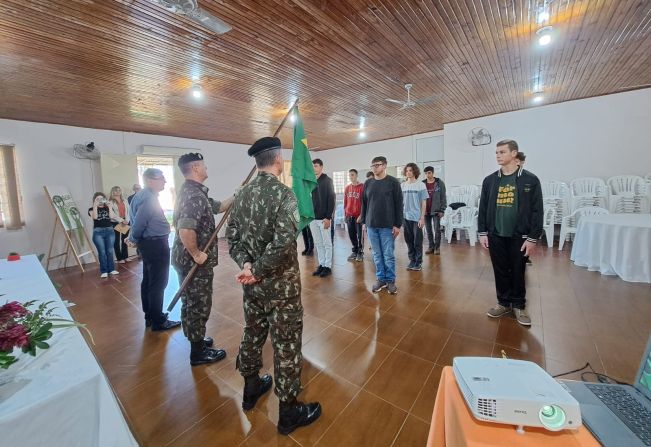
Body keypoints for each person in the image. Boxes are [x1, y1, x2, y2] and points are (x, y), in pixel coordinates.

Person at [226, 136, 321, 435]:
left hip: (252, 285)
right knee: (286, 343)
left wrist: (247, 266)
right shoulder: (284, 195)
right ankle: (289, 411)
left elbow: (232, 238)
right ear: (278, 160)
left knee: (253, 332)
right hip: (280, 287)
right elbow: (282, 243)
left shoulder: (241, 195)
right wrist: (259, 270)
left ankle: (251, 386)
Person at [172, 153, 233, 366]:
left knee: (190, 301)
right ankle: (198, 353)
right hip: (193, 262)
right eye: (204, 166)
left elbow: (217, 207)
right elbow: (185, 229)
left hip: (185, 259)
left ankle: (195, 340)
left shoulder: (193, 191)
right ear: (196, 168)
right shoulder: (194, 196)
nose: (207, 169)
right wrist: (197, 253)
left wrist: (238, 194)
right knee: (198, 302)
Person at [478, 140, 543, 326]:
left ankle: (519, 305)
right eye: (496, 152)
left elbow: (537, 211)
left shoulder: (530, 179)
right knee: (499, 270)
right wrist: (482, 232)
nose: (497, 155)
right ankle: (503, 303)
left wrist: (532, 238)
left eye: (502, 152)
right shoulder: (490, 180)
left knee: (517, 270)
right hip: (495, 234)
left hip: (520, 236)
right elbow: (482, 207)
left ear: (514, 154)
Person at [128, 169, 181, 331]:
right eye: (161, 178)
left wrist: (134, 238)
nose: (164, 181)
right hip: (155, 244)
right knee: (159, 282)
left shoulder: (141, 195)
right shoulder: (149, 198)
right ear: (150, 180)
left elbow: (138, 222)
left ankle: (150, 315)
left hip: (149, 243)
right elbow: (139, 222)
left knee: (149, 280)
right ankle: (158, 321)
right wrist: (132, 238)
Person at [359, 156, 403, 294]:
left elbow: (399, 205)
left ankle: (390, 281)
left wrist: (397, 224)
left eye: (377, 165)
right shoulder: (368, 183)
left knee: (388, 254)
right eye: (372, 166)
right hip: (371, 225)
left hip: (387, 225)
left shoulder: (393, 182)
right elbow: (364, 203)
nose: (374, 168)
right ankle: (381, 279)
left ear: (384, 166)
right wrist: (365, 222)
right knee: (377, 255)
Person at [309, 159, 335, 278]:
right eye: (312, 166)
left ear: (321, 167)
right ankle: (322, 264)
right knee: (318, 243)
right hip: (313, 218)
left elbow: (331, 199)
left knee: (327, 243)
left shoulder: (327, 180)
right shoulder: (311, 181)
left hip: (324, 218)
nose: (314, 168)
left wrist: (328, 217)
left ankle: (327, 266)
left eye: (316, 166)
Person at [401, 163, 428, 271]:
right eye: (407, 171)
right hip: (405, 217)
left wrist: (422, 218)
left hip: (416, 217)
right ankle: (412, 260)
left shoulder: (421, 185)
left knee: (417, 241)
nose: (408, 172)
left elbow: (424, 202)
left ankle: (418, 262)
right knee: (408, 240)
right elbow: (400, 202)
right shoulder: (402, 185)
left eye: (410, 170)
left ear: (415, 172)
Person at [88, 192, 119, 278]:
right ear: (94, 200)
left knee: (109, 251)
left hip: (109, 231)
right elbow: (95, 217)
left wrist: (109, 206)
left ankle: (111, 269)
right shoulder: (91, 209)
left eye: (101, 199)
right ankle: (104, 270)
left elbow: (112, 216)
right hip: (98, 233)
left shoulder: (107, 207)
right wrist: (95, 205)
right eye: (98, 199)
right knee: (102, 252)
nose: (100, 201)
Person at [423, 166, 447, 255]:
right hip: (425, 211)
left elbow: (443, 197)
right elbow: (419, 198)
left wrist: (442, 210)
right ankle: (431, 247)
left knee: (437, 230)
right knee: (428, 230)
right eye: (425, 173)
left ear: (433, 173)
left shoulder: (439, 183)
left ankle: (437, 247)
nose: (427, 175)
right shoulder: (422, 184)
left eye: (429, 173)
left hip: (436, 210)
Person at [515, 152, 533, 266]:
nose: (519, 164)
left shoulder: (528, 178)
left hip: (524, 213)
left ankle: (525, 257)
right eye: (517, 161)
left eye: (521, 162)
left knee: (524, 237)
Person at [344, 169, 364, 262]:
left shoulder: (362, 187)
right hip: (349, 215)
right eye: (350, 175)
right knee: (351, 235)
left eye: (352, 175)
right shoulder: (347, 188)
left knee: (360, 236)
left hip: (358, 217)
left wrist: (362, 215)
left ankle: (360, 252)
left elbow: (365, 203)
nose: (351, 177)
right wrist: (345, 214)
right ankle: (355, 251)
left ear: (356, 176)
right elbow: (345, 202)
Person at [108, 186, 131, 264]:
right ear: (112, 192)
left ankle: (125, 256)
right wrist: (121, 220)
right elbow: (112, 215)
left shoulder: (125, 200)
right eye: (115, 190)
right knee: (116, 241)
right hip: (115, 222)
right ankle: (119, 258)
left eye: (119, 190)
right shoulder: (110, 202)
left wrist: (127, 220)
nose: (117, 191)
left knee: (125, 240)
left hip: (126, 221)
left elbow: (128, 211)